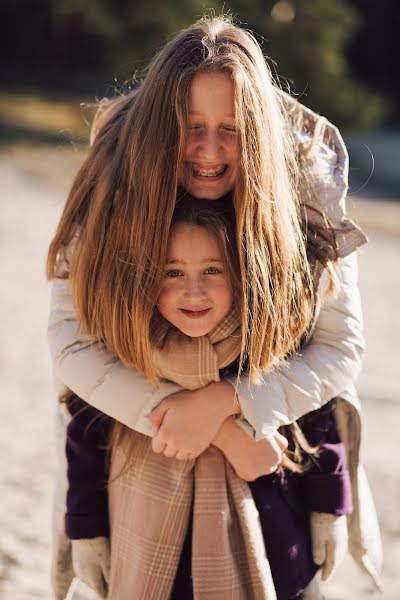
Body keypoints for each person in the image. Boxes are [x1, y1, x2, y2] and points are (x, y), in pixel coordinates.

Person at [46, 14, 382, 600]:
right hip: (143, 455)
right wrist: (215, 427)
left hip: (276, 459)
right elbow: (73, 341)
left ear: (256, 131)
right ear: (159, 126)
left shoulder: (304, 172)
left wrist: (232, 401)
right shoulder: (115, 168)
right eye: (190, 126)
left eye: (229, 129)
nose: (207, 150)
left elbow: (339, 347)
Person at [63, 200, 353, 599]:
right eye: (173, 272)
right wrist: (86, 527)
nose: (193, 291)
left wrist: (329, 506)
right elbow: (86, 440)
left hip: (274, 540)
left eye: (213, 271)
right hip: (151, 538)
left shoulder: (268, 344)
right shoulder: (127, 349)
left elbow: (318, 417)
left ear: (239, 273)